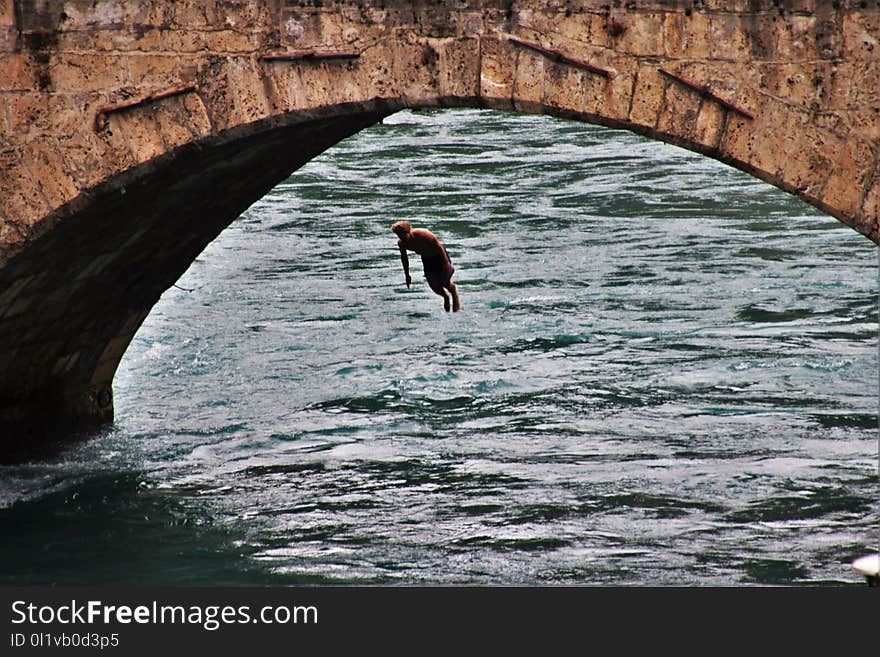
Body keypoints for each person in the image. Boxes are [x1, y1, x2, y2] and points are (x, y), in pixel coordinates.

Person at [391, 221, 461, 312]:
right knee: (434, 285)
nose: (402, 238)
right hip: (427, 260)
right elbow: (404, 258)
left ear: (408, 231)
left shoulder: (423, 235)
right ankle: (446, 297)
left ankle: (454, 293)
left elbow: (439, 247)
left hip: (439, 256)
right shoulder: (402, 243)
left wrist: (447, 264)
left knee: (444, 282)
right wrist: (407, 275)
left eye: (403, 235)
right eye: (399, 236)